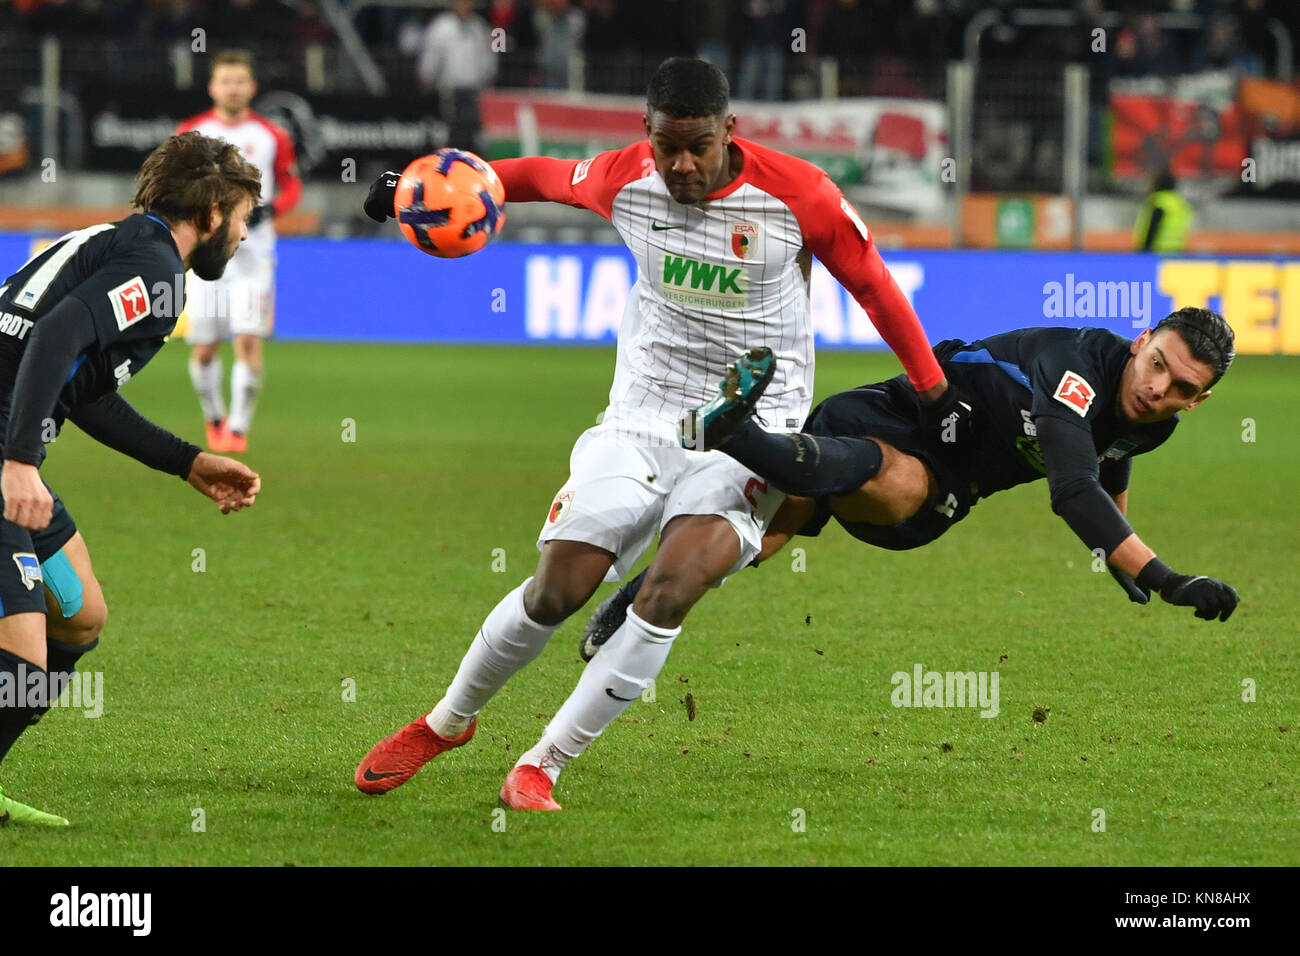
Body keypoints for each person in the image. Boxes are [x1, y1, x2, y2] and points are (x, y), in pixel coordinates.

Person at [354, 57, 971, 810]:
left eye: (699, 146)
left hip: (751, 421)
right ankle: (447, 723)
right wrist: (418, 189)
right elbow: (533, 177)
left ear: (729, 132)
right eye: (666, 146)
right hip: (643, 413)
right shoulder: (623, 178)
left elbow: (873, 284)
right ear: (644, 132)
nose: (681, 164)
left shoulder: (800, 194)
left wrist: (934, 390)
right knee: (561, 588)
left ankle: (543, 764)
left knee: (673, 584)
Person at [581, 309, 1240, 662]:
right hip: (911, 411)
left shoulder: (1154, 421)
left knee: (805, 514)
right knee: (785, 523)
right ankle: (651, 579)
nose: (1160, 389)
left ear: (1200, 399)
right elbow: (1072, 487)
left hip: (952, 481)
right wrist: (1164, 578)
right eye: (1158, 365)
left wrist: (1117, 550)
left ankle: (732, 438)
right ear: (1141, 340)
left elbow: (1112, 453)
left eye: (1183, 388)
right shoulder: (1075, 372)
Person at [0, 131, 264, 825]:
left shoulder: (119, 243)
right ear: (209, 212)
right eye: (240, 218)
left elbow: (76, 386)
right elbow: (56, 336)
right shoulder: (152, 271)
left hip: (8, 452)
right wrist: (21, 460)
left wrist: (187, 460)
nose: (241, 235)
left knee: (80, 613)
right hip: (4, 460)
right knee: (21, 670)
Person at [176, 50, 303, 454]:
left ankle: (238, 429)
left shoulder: (272, 136)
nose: (233, 88)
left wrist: (273, 209)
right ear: (213, 87)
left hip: (254, 256)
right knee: (205, 347)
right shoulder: (192, 132)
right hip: (207, 256)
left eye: (240, 81)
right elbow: (172, 185)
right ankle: (214, 417)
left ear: (252, 87)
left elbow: (292, 185)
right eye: (225, 80)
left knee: (249, 339)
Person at [1134, 167, 1193, 253]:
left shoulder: (1158, 200)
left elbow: (1153, 227)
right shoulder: (1180, 203)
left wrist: (1145, 249)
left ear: (1158, 184)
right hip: (1176, 249)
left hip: (1156, 250)